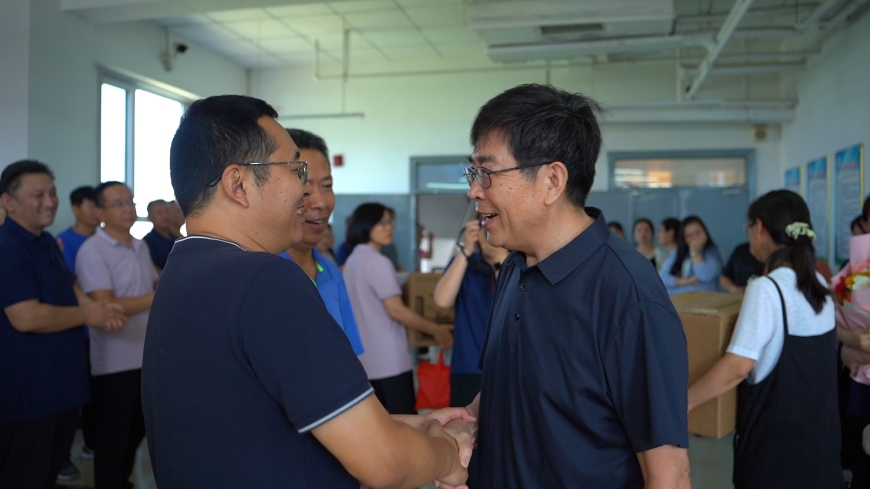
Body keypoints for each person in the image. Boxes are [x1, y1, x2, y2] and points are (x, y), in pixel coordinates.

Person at [142, 95, 471, 488]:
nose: (306, 192)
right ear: (238, 184)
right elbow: (384, 463)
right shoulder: (265, 279)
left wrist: (415, 426)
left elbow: (261, 424)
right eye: (296, 170)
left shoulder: (182, 272)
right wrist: (447, 455)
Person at [458, 84, 689, 488]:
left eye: (487, 173)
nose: (473, 190)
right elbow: (515, 388)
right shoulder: (514, 269)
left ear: (552, 180)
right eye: (472, 172)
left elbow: (668, 475)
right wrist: (467, 420)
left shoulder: (627, 296)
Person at [688, 189, 841, 489]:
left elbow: (737, 367)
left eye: (749, 228)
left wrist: (684, 402)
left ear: (759, 228)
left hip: (776, 454)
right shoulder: (819, 283)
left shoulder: (766, 289)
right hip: (821, 446)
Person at [0, 160, 126, 489]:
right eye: (38, 194)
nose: (50, 201)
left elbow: (68, 287)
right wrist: (88, 315)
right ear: (8, 201)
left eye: (53, 193)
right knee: (25, 475)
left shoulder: (45, 242)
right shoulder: (8, 247)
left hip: (61, 385)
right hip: (30, 395)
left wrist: (97, 308)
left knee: (48, 470)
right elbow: (26, 316)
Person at [76, 181, 158, 489]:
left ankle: (121, 482)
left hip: (145, 354)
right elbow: (106, 304)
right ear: (99, 212)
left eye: (130, 201)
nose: (128, 208)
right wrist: (157, 297)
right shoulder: (92, 250)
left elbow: (148, 286)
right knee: (113, 438)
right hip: (114, 360)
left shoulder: (140, 246)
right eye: (119, 203)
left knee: (138, 428)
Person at [343, 202, 454, 414]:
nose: (389, 227)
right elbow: (396, 311)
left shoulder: (352, 261)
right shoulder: (378, 262)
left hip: (365, 362)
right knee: (404, 423)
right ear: (366, 225)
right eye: (382, 223)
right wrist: (436, 330)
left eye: (390, 222)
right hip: (390, 361)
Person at [433, 216, 508, 488]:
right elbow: (441, 300)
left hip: (504, 368)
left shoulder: (515, 263)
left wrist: (499, 260)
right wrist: (466, 250)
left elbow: (508, 304)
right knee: (467, 445)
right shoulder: (467, 263)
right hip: (467, 366)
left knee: (500, 445)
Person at [279, 128, 364, 355]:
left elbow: (349, 358)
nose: (321, 202)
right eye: (304, 187)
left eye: (327, 186)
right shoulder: (262, 273)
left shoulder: (330, 272)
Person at [659, 215, 723, 295]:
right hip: (677, 299)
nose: (695, 237)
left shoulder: (714, 251)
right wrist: (687, 281)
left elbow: (704, 275)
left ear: (705, 232)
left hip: (703, 300)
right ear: (684, 239)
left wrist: (695, 252)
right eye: (689, 235)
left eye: (698, 232)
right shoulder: (678, 252)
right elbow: (662, 277)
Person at [56, 186, 99, 276]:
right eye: (91, 207)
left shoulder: (106, 237)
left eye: (98, 207)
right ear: (75, 210)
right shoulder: (63, 241)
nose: (96, 211)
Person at [142, 199, 176, 271]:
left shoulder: (176, 238)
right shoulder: (147, 242)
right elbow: (152, 269)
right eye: (159, 212)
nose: (165, 215)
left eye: (167, 211)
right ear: (149, 217)